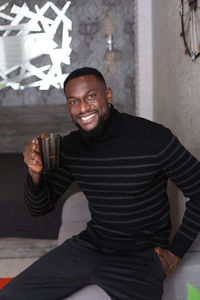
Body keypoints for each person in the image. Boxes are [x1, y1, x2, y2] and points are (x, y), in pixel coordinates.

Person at [1, 67, 200, 300]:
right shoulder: (72, 147)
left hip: (140, 256)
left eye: (91, 96)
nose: (83, 108)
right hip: (90, 246)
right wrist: (35, 173)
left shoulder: (154, 138)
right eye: (74, 101)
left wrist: (176, 251)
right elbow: (39, 208)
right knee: (10, 295)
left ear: (108, 95)